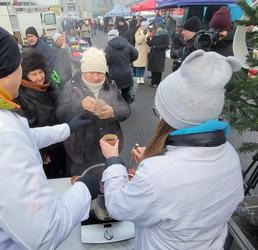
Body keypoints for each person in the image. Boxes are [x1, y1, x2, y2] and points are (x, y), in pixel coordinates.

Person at [0, 17, 100, 249]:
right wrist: (84, 189)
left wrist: (69, 127)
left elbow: (25, 136)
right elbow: (45, 233)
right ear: (8, 68)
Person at [99, 50, 244, 250]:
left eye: (158, 111)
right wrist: (156, 161)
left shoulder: (158, 175)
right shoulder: (229, 155)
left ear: (171, 117)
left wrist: (113, 161)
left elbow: (118, 207)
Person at [56, 48, 131, 176]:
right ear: (84, 71)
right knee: (83, 184)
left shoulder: (111, 85)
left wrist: (113, 112)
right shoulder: (71, 87)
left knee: (109, 181)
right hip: (81, 151)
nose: (96, 77)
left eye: (100, 72)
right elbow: (60, 114)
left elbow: (126, 110)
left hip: (108, 146)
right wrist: (79, 105)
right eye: (91, 72)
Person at [14, 49, 67, 178]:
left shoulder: (49, 86)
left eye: (41, 72)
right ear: (25, 75)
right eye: (34, 74)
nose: (39, 78)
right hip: (46, 149)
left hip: (61, 141)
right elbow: (25, 130)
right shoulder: (21, 97)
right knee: (53, 178)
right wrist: (41, 153)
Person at [104, 29, 138, 104]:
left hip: (114, 75)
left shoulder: (108, 48)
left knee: (115, 93)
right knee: (126, 92)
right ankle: (126, 106)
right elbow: (135, 54)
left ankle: (118, 109)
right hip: (127, 73)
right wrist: (128, 60)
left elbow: (106, 61)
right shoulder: (127, 44)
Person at [147, 21, 169, 87]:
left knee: (158, 69)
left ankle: (157, 82)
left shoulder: (165, 34)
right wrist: (148, 39)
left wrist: (157, 47)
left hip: (159, 54)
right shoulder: (155, 34)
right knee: (153, 68)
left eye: (158, 26)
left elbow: (166, 45)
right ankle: (153, 82)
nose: (157, 28)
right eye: (156, 26)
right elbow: (151, 43)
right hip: (153, 53)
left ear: (162, 27)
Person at [133, 21, 150, 85]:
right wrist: (143, 35)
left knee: (143, 65)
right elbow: (138, 41)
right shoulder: (138, 32)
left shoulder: (148, 31)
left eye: (146, 26)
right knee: (138, 65)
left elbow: (150, 40)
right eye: (143, 26)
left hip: (145, 51)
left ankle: (142, 77)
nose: (145, 27)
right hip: (139, 51)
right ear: (141, 26)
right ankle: (138, 78)